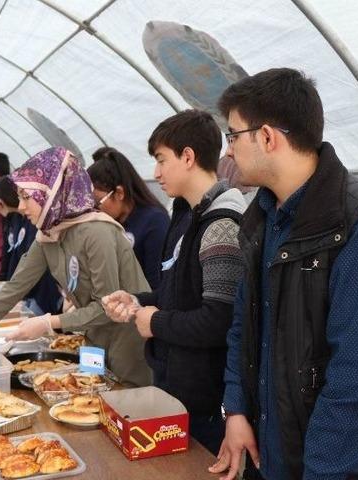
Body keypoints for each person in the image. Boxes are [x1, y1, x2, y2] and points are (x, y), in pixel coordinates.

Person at [207, 68, 358, 480]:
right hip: (273, 455)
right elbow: (243, 327)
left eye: (232, 136)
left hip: (340, 469)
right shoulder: (261, 218)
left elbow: (356, 382)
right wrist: (234, 409)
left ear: (267, 137)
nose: (228, 151)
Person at [102, 110, 247, 454]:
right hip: (177, 388)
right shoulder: (186, 217)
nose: (156, 173)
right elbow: (181, 296)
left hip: (204, 400)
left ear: (188, 156)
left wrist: (155, 321)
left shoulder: (221, 226)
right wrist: (138, 301)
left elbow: (218, 320)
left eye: (161, 160)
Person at [0, 147, 152, 388]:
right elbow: (14, 289)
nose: (22, 207)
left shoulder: (96, 232)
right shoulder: (49, 235)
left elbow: (105, 308)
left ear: (54, 194)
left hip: (127, 339)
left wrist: (49, 323)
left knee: (122, 406)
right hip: (91, 337)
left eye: (28, 198)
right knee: (90, 396)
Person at [87, 147, 170, 289]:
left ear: (119, 193)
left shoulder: (154, 222)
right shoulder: (111, 223)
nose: (94, 209)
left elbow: (157, 283)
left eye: (97, 202)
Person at [0, 176, 61, 315]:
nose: (21, 205)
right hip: (26, 292)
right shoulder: (15, 220)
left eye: (26, 197)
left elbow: (31, 263)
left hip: (40, 295)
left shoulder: (33, 223)